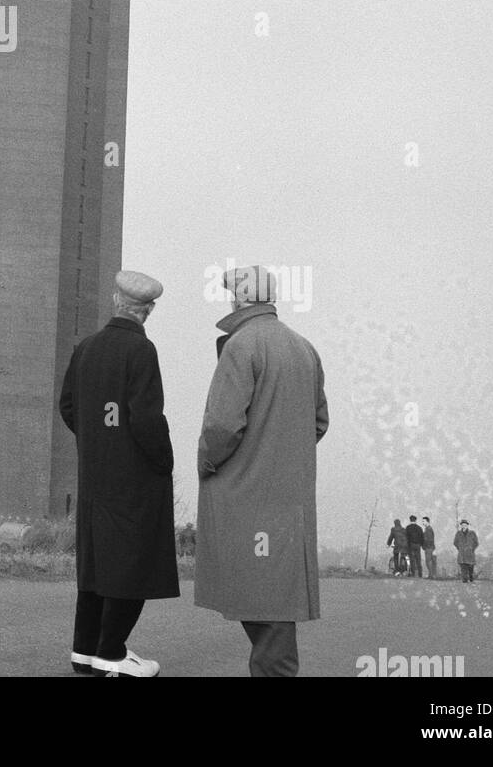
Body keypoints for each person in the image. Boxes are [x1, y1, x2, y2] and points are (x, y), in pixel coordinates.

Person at [195, 265, 328, 677]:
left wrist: (207, 461)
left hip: (246, 495)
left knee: (264, 602)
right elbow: (319, 422)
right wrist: (284, 453)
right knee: (270, 591)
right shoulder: (304, 347)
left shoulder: (241, 345)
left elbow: (222, 426)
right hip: (288, 497)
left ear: (238, 299)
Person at [59, 269, 179, 677]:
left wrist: (98, 441)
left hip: (95, 476)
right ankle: (111, 652)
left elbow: (69, 408)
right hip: (133, 478)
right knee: (132, 562)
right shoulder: (142, 352)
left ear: (114, 300)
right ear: (148, 311)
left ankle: (84, 650)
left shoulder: (85, 349)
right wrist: (165, 461)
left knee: (96, 563)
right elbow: (145, 418)